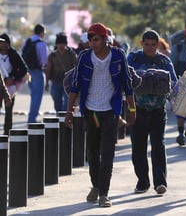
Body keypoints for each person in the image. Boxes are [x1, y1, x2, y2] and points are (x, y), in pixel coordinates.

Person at [64, 23, 136, 207]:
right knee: (93, 152)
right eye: (90, 40)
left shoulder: (118, 55)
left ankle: (104, 193)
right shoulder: (84, 57)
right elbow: (75, 85)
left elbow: (127, 84)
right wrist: (69, 111)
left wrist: (132, 110)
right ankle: (96, 185)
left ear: (105, 39)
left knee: (108, 152)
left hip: (111, 112)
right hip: (92, 112)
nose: (92, 43)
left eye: (96, 39)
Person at [127, 30, 177, 195]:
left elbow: (174, 82)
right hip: (137, 109)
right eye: (146, 44)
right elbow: (124, 79)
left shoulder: (164, 61)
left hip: (157, 110)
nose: (150, 48)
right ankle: (142, 182)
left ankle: (160, 183)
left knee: (158, 145)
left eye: (153, 45)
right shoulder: (133, 59)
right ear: (142, 43)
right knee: (138, 147)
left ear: (158, 44)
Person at [23, 24, 49, 123]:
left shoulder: (27, 41)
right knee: (37, 96)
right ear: (42, 32)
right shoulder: (41, 44)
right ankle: (32, 118)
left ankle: (32, 116)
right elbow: (45, 61)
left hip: (27, 72)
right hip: (37, 72)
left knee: (33, 95)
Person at [45, 33, 77, 112]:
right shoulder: (52, 56)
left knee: (67, 103)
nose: (61, 46)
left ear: (66, 44)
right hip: (56, 82)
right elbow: (48, 69)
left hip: (68, 82)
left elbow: (76, 67)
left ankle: (64, 118)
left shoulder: (71, 54)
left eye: (63, 43)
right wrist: (46, 83)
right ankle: (60, 117)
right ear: (56, 44)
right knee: (57, 101)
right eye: (59, 43)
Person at [0, 34, 23, 135]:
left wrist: (13, 78)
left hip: (9, 87)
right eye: (1, 43)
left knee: (8, 111)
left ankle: (6, 134)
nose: (3, 46)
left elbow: (23, 69)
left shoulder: (13, 54)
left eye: (6, 43)